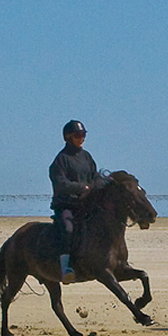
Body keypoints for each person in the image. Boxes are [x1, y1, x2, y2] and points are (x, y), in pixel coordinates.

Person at [49, 119, 99, 284]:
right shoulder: (61, 160)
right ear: (68, 137)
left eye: (83, 135)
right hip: (66, 205)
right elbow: (60, 183)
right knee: (68, 228)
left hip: (84, 204)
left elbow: (95, 176)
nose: (82, 138)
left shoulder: (87, 157)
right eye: (78, 135)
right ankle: (65, 268)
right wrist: (81, 188)